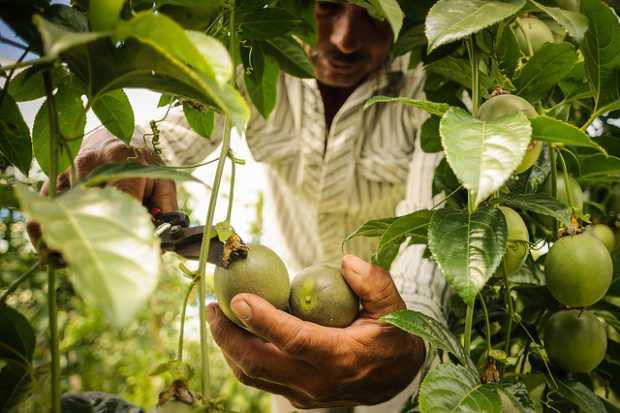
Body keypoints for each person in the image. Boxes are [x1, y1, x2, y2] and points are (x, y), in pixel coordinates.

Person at [31, 2, 448, 412]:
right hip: (284, 324)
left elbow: (433, 231)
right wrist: (125, 147)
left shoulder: (435, 77)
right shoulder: (252, 52)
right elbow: (170, 138)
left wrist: (409, 336)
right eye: (328, 6)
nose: (344, 40)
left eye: (375, 14)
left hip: (390, 321)